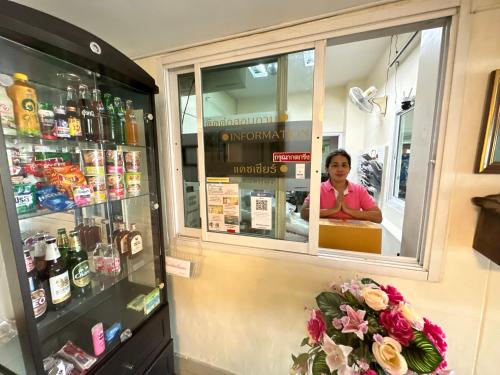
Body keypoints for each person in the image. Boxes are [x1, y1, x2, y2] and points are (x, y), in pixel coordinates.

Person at [300, 149, 382, 223]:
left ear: (349, 169)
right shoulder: (318, 189)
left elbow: (378, 217)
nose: (340, 169)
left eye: (344, 165)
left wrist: (348, 210)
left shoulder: (359, 190)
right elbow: (304, 213)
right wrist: (333, 210)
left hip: (352, 236)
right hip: (324, 236)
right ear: (327, 169)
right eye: (335, 165)